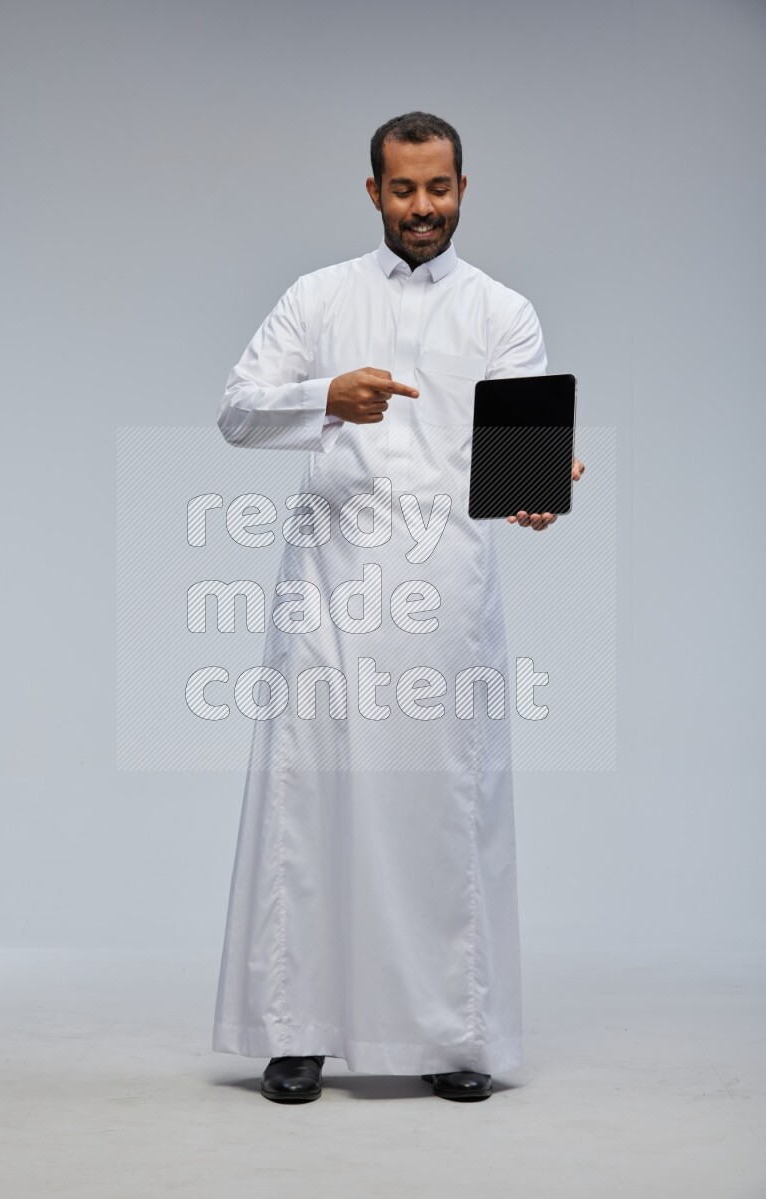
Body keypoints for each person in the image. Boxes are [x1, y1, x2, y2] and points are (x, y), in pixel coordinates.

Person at [212, 111, 585, 1104]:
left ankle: (452, 1031)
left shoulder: (502, 312)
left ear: (463, 187)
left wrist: (537, 489)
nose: (423, 208)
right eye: (404, 189)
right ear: (372, 191)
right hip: (332, 583)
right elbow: (237, 409)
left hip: (446, 589)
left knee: (443, 809)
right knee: (313, 802)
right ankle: (295, 1030)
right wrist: (324, 397)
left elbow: (513, 465)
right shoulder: (317, 297)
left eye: (440, 188)